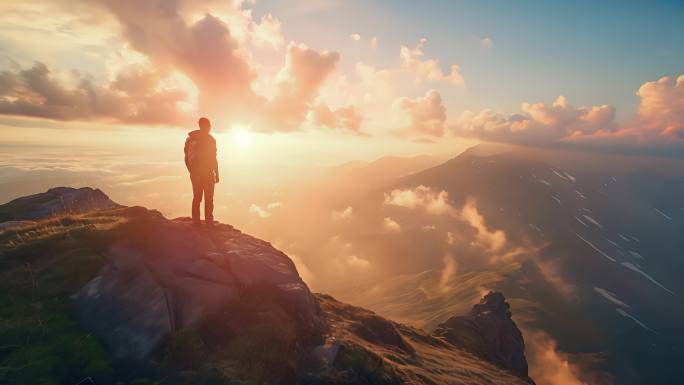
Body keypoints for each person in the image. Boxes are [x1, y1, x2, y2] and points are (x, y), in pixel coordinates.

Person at [184, 117, 219, 226]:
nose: (210, 127)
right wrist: (217, 173)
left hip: (197, 174)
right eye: (209, 125)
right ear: (204, 126)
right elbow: (213, 158)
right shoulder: (209, 140)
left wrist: (192, 171)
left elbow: (186, 159)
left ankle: (197, 222)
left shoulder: (191, 140)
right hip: (206, 174)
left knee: (198, 198)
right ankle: (208, 222)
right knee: (207, 199)